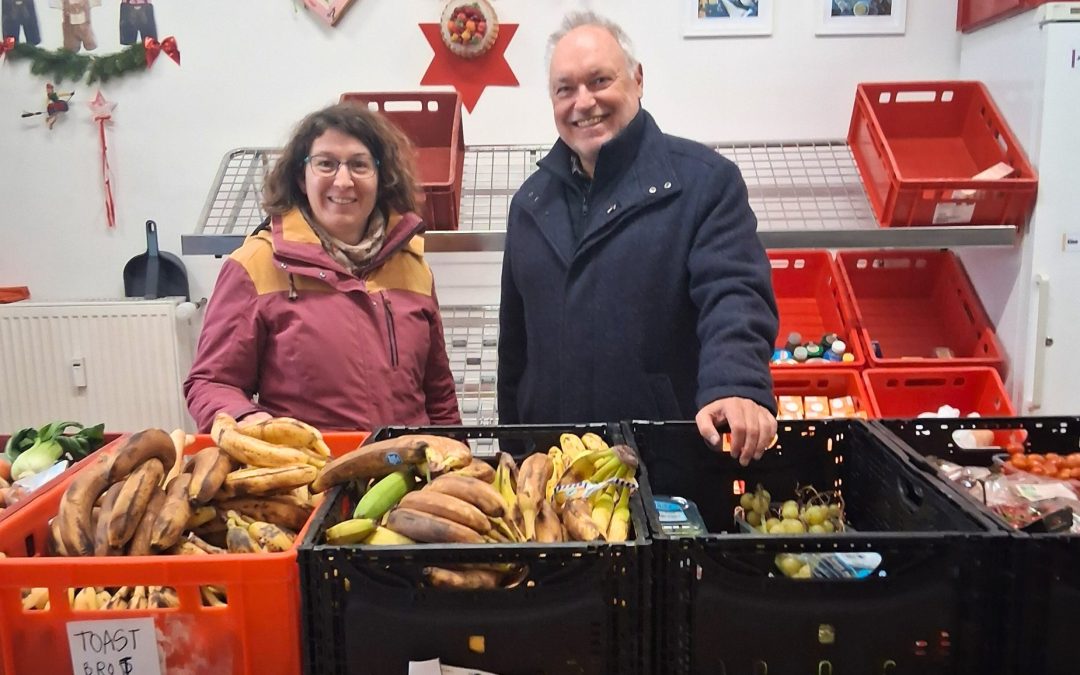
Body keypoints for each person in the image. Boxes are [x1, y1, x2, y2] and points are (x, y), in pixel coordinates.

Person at [497, 12, 778, 469]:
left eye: (600, 80)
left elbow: (734, 293)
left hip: (666, 468)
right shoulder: (530, 204)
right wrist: (512, 448)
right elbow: (516, 349)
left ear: (638, 79)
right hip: (552, 468)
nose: (583, 102)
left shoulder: (703, 183)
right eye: (564, 89)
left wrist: (736, 382)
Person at [185, 102, 461, 432]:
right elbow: (211, 382)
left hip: (407, 475)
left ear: (381, 177)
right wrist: (246, 419)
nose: (343, 181)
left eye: (359, 165)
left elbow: (439, 396)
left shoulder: (412, 266)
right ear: (302, 177)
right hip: (309, 475)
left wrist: (456, 463)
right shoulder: (256, 265)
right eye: (326, 164)